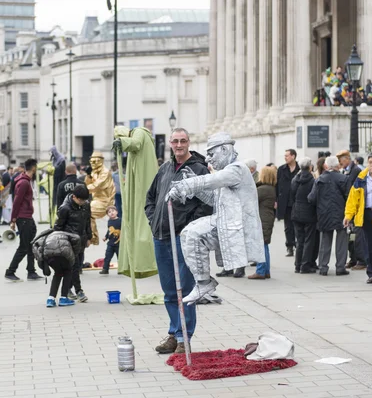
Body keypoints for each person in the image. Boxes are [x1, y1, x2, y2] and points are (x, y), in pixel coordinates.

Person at [168, 132, 264, 303]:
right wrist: (195, 185)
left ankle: (204, 282)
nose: (208, 160)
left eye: (211, 154)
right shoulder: (227, 174)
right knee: (189, 234)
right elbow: (214, 199)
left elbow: (211, 180)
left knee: (193, 233)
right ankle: (203, 282)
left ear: (225, 149)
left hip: (235, 226)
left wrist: (186, 185)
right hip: (226, 223)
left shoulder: (237, 170)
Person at [145, 128, 212, 355]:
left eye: (183, 141)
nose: (179, 145)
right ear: (170, 144)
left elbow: (206, 204)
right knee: (169, 290)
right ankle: (174, 333)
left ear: (189, 142)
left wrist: (188, 226)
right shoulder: (164, 168)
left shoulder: (199, 170)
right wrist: (153, 220)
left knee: (186, 288)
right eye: (175, 141)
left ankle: (185, 336)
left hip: (183, 238)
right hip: (161, 236)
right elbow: (150, 198)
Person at [113, 125, 159, 279]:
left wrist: (122, 142)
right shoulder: (140, 136)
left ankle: (143, 260)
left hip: (142, 184)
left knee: (139, 219)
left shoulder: (139, 132)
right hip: (140, 180)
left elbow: (136, 143)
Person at [308, 156, 349, 276]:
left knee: (325, 240)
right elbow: (349, 197)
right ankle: (340, 267)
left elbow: (312, 198)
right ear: (337, 165)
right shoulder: (344, 178)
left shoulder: (320, 179)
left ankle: (323, 267)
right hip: (341, 213)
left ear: (326, 166)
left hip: (324, 213)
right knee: (342, 240)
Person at [5, 159, 43, 281]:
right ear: (34, 168)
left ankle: (31, 271)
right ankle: (10, 271)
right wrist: (13, 219)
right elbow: (17, 202)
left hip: (27, 217)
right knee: (24, 247)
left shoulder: (26, 181)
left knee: (31, 245)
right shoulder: (24, 183)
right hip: (23, 218)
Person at [54, 185, 92, 303]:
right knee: (74, 267)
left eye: (85, 200)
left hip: (81, 240)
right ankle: (79, 291)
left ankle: (68, 289)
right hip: (69, 241)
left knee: (78, 266)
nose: (83, 203)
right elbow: (58, 227)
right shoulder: (65, 208)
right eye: (81, 200)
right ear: (74, 197)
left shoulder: (86, 205)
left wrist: (89, 237)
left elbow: (87, 222)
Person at [344, 152, 372, 284]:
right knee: (369, 245)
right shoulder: (361, 179)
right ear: (367, 164)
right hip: (367, 214)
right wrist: (348, 215)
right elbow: (353, 199)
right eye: (371, 163)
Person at [32, 229, 80, 307]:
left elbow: (35, 247)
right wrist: (75, 252)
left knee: (58, 273)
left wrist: (42, 263)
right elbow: (77, 238)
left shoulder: (43, 237)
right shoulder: (64, 232)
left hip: (49, 255)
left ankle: (50, 299)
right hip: (64, 253)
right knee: (68, 272)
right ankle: (63, 298)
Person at [249, 166, 277, 279]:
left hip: (262, 218)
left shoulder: (262, 189)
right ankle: (266, 270)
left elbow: (250, 200)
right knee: (264, 245)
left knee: (260, 245)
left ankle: (260, 271)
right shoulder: (270, 188)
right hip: (267, 217)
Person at [290, 157, 317, 274]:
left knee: (299, 240)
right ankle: (305, 265)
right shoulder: (312, 180)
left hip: (296, 212)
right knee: (309, 240)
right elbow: (314, 197)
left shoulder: (295, 179)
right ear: (310, 167)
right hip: (309, 212)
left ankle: (297, 264)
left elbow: (292, 194)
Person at [85, 151, 116, 245]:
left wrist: (82, 190)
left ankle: (94, 237)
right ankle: (93, 236)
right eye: (91, 162)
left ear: (101, 161)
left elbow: (96, 186)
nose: (93, 164)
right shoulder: (94, 172)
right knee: (85, 211)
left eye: (95, 161)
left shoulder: (105, 172)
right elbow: (88, 184)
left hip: (105, 201)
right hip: (97, 200)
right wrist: (88, 175)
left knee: (87, 211)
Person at [276, 149, 300, 257]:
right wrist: (276, 200)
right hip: (285, 201)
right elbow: (277, 186)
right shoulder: (281, 169)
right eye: (284, 156)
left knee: (297, 224)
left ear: (293, 156)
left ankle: (298, 244)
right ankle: (289, 246)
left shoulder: (300, 169)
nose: (285, 157)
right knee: (288, 226)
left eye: (287, 156)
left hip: (297, 201)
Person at [100, 206, 120, 275]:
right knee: (107, 256)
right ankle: (105, 269)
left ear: (116, 212)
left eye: (113, 211)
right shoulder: (109, 221)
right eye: (109, 212)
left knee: (120, 257)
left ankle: (120, 269)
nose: (111, 213)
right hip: (110, 243)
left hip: (118, 243)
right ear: (107, 214)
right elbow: (109, 231)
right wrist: (106, 237)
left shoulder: (120, 221)